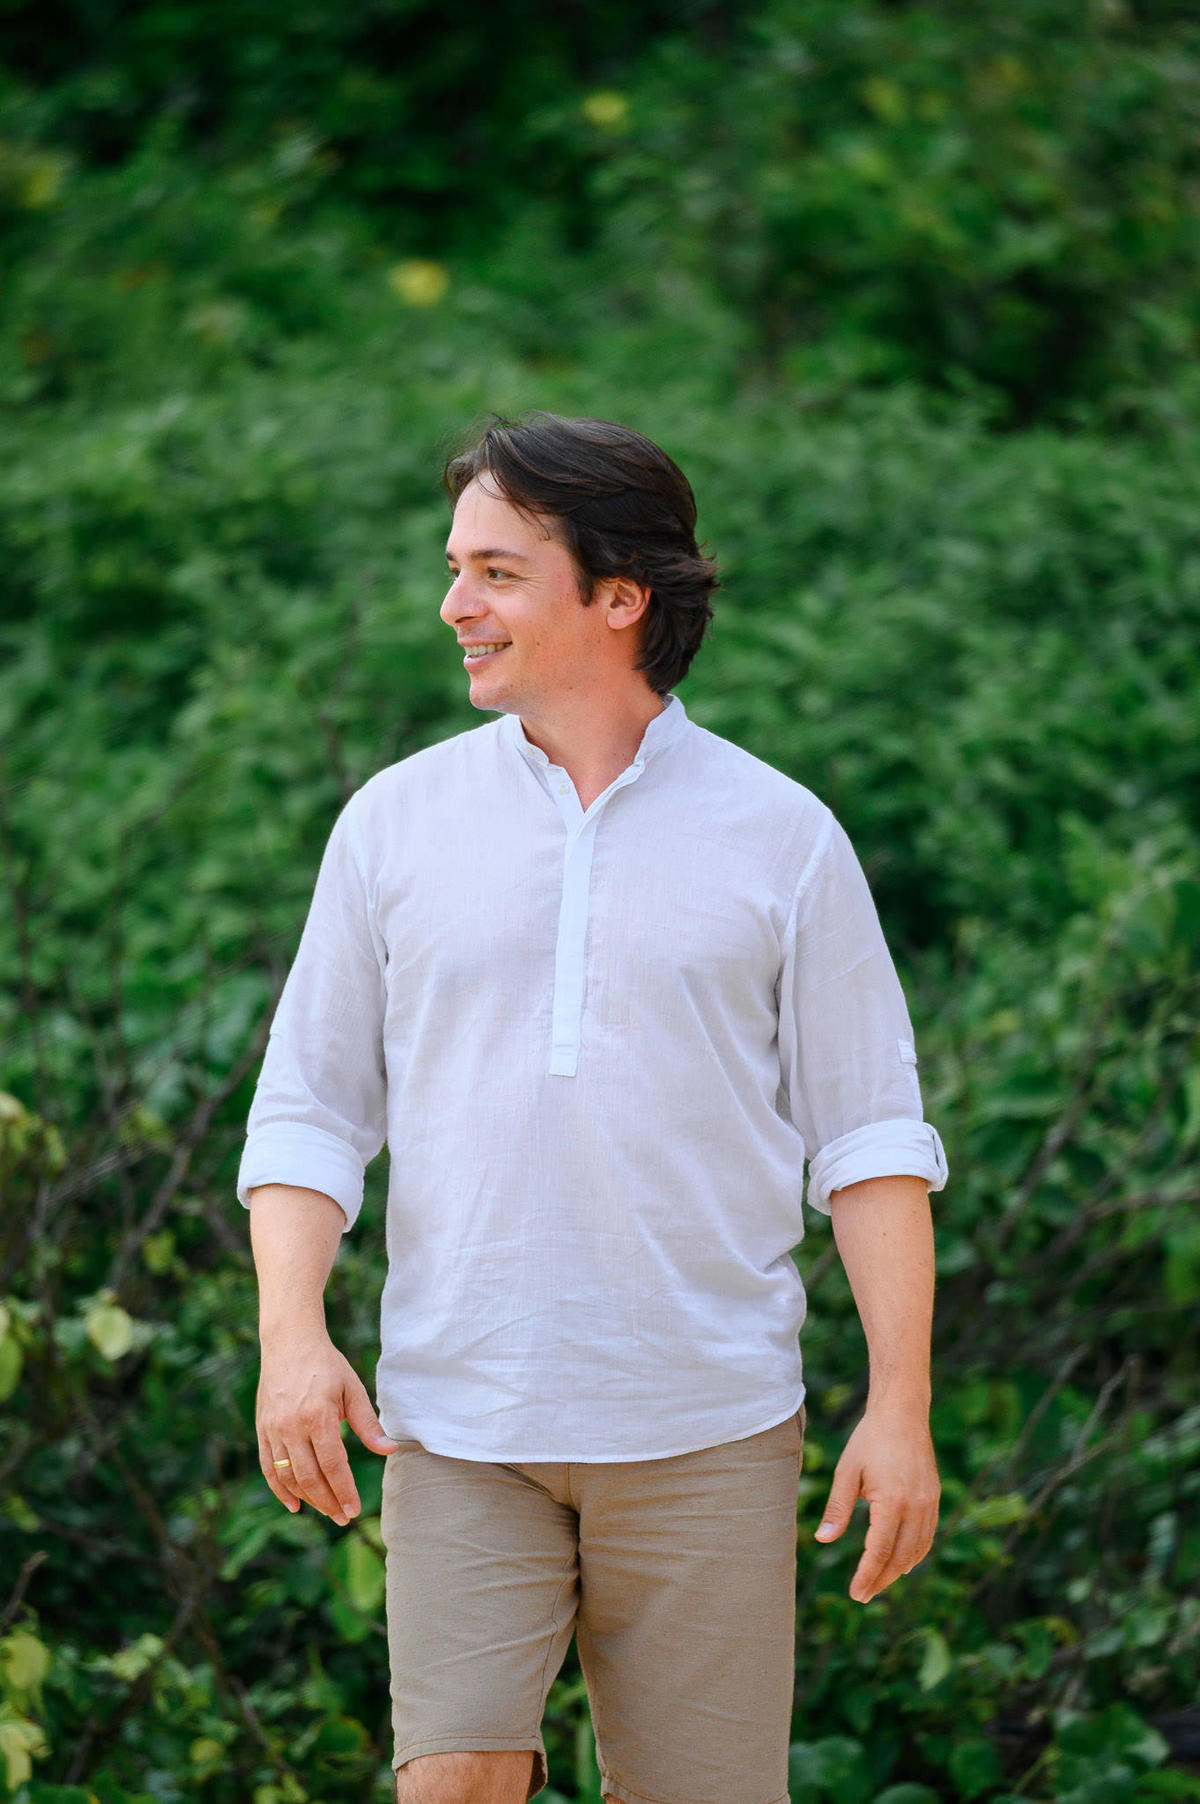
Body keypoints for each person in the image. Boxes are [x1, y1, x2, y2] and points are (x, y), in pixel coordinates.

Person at [239, 411, 948, 1804]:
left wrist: (902, 1407)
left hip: (708, 1421)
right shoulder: (393, 824)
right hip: (461, 1419)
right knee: (454, 1783)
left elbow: (869, 1144)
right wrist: (291, 1340)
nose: (455, 604)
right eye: (456, 568)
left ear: (620, 596)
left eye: (497, 573)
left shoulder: (782, 835)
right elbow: (310, 1112)